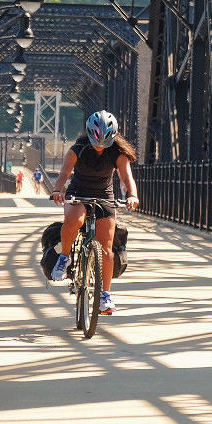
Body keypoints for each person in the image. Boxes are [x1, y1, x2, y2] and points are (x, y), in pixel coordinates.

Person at [49, 110, 141, 315]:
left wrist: (132, 195)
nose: (100, 146)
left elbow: (127, 178)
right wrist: (58, 190)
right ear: (89, 135)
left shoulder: (118, 152)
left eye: (105, 142)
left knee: (106, 248)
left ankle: (105, 295)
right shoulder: (78, 149)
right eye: (96, 141)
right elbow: (64, 173)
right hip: (78, 193)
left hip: (104, 196)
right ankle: (64, 258)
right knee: (75, 219)